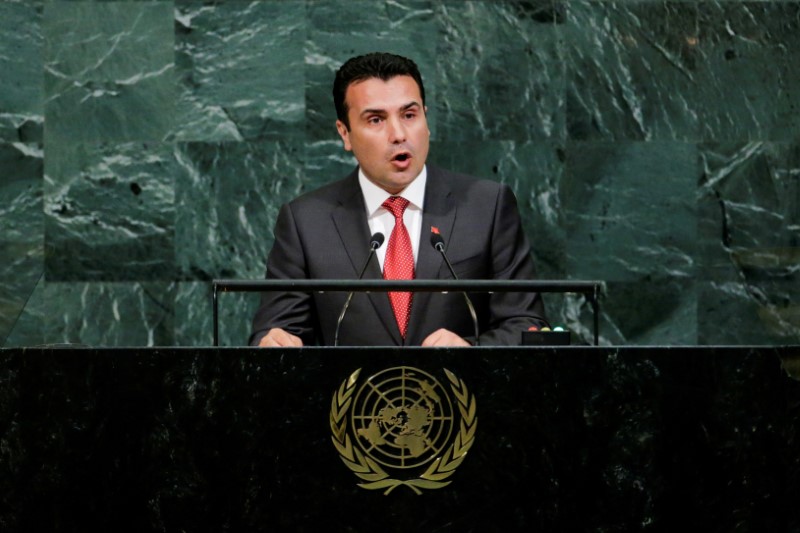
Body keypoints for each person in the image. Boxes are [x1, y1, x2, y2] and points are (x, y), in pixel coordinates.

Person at [250, 52, 547, 347]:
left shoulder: (487, 206)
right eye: (376, 119)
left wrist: (471, 350)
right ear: (345, 134)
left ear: (426, 119)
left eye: (409, 115)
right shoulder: (305, 222)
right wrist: (275, 343)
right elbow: (277, 332)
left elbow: (527, 324)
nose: (399, 134)